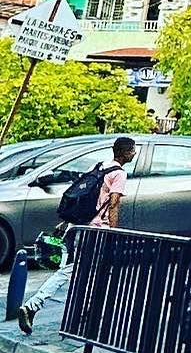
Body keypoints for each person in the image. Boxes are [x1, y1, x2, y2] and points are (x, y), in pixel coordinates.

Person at [14, 137, 137, 335]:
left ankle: (78, 314)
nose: (134, 153)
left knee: (81, 270)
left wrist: (68, 221)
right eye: (132, 150)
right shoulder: (119, 174)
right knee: (82, 271)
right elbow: (114, 203)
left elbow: (82, 195)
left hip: (80, 226)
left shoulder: (100, 166)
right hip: (97, 230)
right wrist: (114, 232)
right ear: (124, 153)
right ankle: (72, 314)